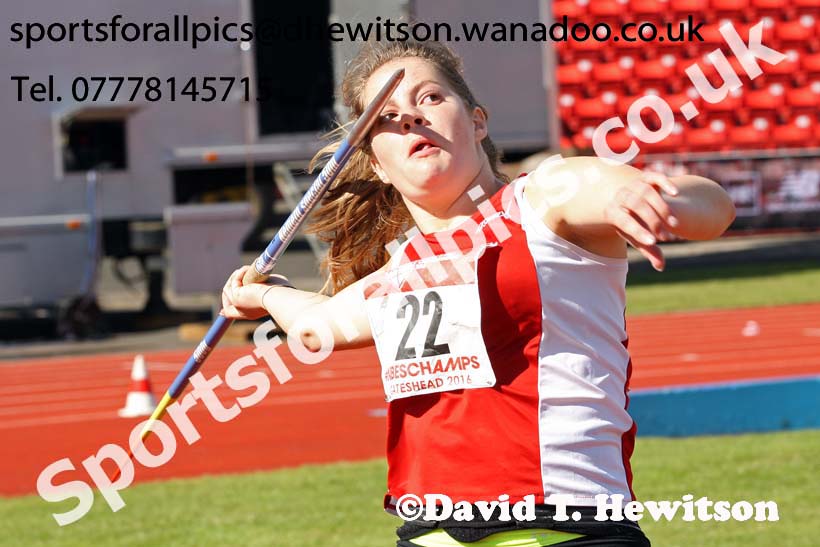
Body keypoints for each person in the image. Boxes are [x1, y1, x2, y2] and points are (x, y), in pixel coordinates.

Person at [221, 40, 736, 547]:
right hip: (428, 535)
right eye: (386, 116)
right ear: (376, 163)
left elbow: (707, 206)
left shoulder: (543, 200)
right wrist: (266, 296)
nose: (410, 120)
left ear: (477, 121)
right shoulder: (405, 265)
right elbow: (325, 322)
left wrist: (649, 196)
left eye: (429, 98)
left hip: (566, 526)